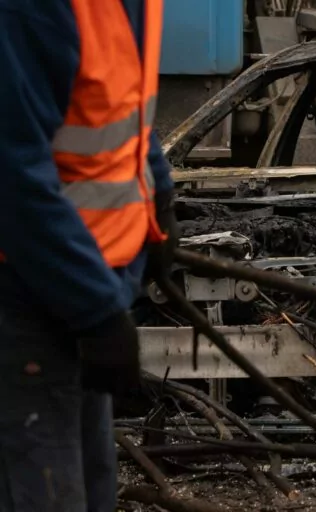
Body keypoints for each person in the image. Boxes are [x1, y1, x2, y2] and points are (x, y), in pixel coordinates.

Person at [0, 1, 178, 510]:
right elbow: (13, 178)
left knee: (93, 490)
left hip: (80, 296)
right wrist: (97, 311)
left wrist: (159, 202)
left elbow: (124, 112)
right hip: (25, 305)